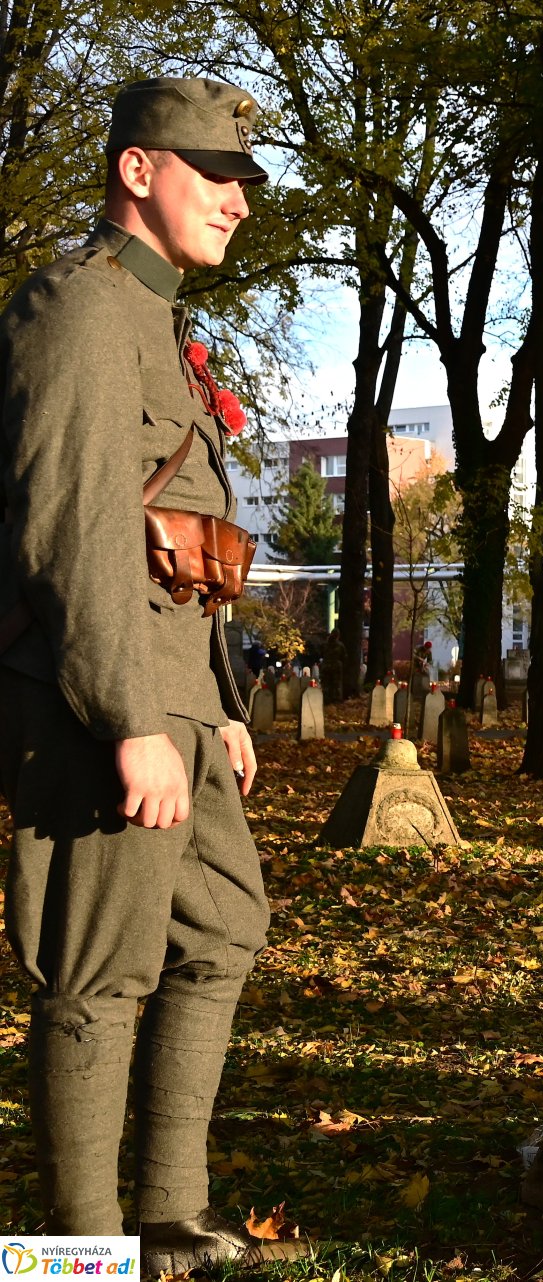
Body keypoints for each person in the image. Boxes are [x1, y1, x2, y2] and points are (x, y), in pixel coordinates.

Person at [0, 77, 310, 1272]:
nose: (239, 201)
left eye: (244, 181)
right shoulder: (79, 308)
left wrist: (218, 707)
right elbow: (73, 530)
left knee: (225, 923)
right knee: (96, 964)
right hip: (97, 690)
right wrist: (131, 715)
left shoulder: (160, 328)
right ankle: (76, 1254)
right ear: (137, 170)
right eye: (214, 174)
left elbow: (186, 546)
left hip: (175, 693)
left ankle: (169, 1215)